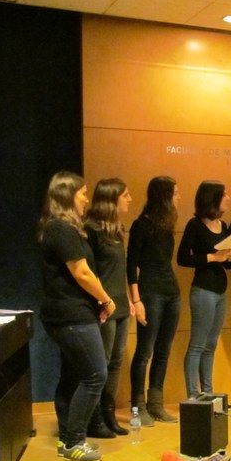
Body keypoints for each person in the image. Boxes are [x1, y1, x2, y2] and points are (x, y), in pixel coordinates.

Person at [39, 171, 114, 461]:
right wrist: (106, 300)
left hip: (71, 313)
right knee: (96, 375)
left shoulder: (64, 229)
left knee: (72, 376)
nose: (86, 199)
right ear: (68, 195)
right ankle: (74, 442)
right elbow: (82, 273)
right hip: (70, 315)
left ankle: (66, 439)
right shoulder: (61, 229)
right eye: (82, 193)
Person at [177, 180, 231, 400]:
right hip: (203, 290)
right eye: (224, 195)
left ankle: (209, 394)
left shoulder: (223, 225)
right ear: (212, 198)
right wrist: (213, 257)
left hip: (221, 290)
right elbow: (183, 258)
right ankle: (193, 396)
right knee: (197, 344)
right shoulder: (194, 225)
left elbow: (227, 264)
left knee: (211, 345)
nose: (228, 199)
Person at [128, 176, 181, 425]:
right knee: (144, 350)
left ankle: (156, 403)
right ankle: (137, 405)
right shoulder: (141, 225)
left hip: (171, 290)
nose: (178, 197)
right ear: (165, 197)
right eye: (175, 193)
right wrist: (136, 300)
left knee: (163, 350)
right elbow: (131, 265)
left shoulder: (167, 225)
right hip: (150, 291)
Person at [85, 178, 134, 436]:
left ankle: (109, 413)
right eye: (125, 195)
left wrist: (130, 300)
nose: (129, 199)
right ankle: (94, 419)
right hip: (104, 305)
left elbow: (120, 269)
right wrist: (102, 302)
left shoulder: (118, 229)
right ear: (111, 199)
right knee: (100, 364)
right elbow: (89, 272)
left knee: (116, 362)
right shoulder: (91, 229)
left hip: (121, 304)